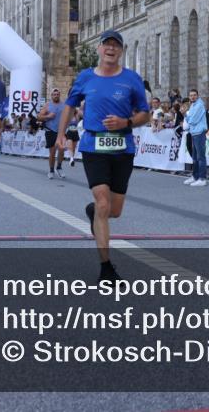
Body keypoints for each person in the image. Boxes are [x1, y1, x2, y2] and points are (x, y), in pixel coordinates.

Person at [57, 30, 149, 283]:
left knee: (114, 211)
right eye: (106, 45)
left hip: (123, 149)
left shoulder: (132, 78)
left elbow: (145, 114)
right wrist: (60, 134)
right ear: (99, 49)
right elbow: (69, 106)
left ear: (121, 51)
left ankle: (94, 214)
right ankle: (106, 267)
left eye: (115, 45)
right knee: (103, 203)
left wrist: (125, 121)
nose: (111, 49)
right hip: (93, 146)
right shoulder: (86, 77)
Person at [37, 88, 67, 180]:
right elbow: (38, 117)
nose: (56, 96)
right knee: (52, 152)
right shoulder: (47, 105)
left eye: (57, 94)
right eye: (54, 94)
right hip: (50, 130)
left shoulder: (64, 105)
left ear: (59, 95)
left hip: (61, 131)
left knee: (61, 150)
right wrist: (48, 116)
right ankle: (51, 170)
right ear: (51, 96)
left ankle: (59, 167)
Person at [184, 88, 208, 187]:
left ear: (197, 96)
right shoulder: (193, 105)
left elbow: (193, 120)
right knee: (195, 157)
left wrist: (186, 115)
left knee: (200, 157)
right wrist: (187, 115)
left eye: (194, 95)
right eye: (191, 95)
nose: (192, 97)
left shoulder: (199, 105)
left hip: (199, 133)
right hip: (194, 133)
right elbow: (190, 118)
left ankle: (202, 178)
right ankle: (195, 176)